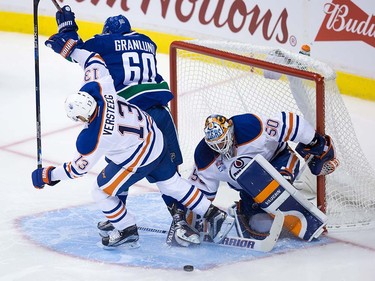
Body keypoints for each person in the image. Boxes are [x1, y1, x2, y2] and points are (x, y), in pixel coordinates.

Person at [32, 32, 234, 248]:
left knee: (100, 190)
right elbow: (93, 59)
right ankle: (215, 215)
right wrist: (71, 48)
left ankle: (126, 228)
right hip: (155, 139)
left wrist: (48, 175)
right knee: (171, 183)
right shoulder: (104, 88)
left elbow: (76, 169)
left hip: (138, 157)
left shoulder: (92, 137)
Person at [52, 6, 191, 245]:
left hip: (131, 117)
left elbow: (77, 50)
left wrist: (66, 27)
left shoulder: (103, 43)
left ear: (107, 32)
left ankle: (122, 216)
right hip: (161, 113)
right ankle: (180, 222)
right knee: (169, 172)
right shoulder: (147, 41)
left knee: (120, 164)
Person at [186, 113, 339, 242]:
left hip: (279, 161)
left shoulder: (250, 127)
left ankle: (284, 185)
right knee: (261, 227)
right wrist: (199, 217)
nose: (220, 147)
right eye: (215, 144)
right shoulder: (204, 157)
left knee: (279, 183)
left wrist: (315, 141)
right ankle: (245, 208)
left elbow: (288, 122)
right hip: (250, 189)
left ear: (230, 129)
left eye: (223, 141)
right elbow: (202, 191)